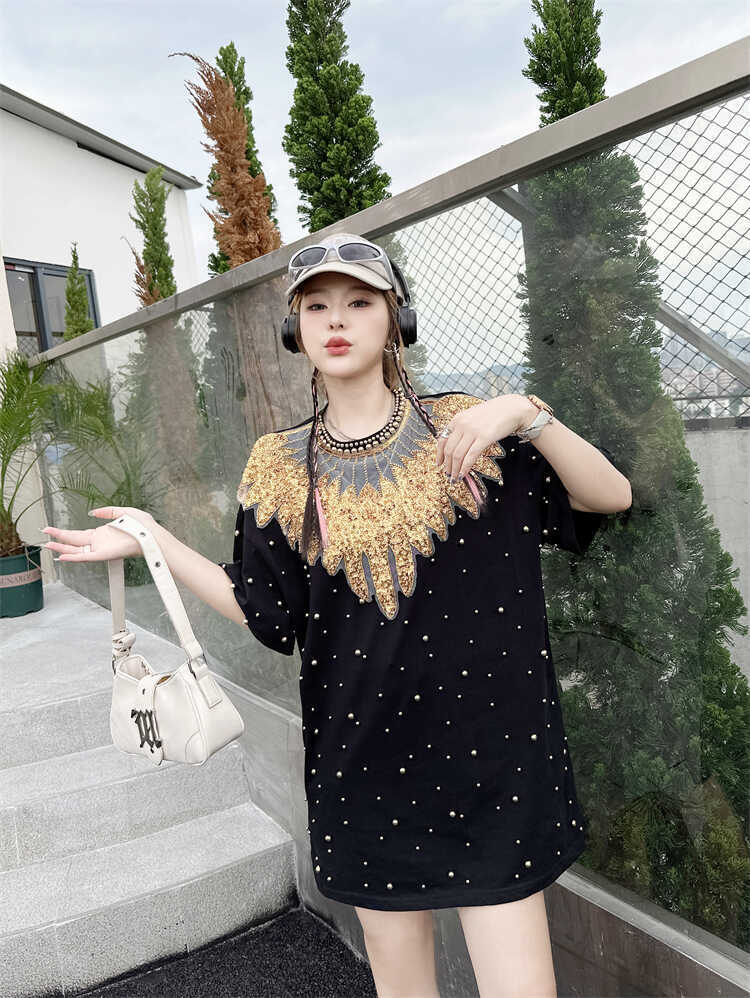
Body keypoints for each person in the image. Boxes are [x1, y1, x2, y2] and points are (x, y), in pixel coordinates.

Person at [40, 231, 631, 998]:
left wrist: (525, 413)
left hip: (493, 760)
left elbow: (607, 496)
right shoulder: (278, 466)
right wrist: (154, 538)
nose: (337, 319)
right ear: (296, 329)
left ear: (396, 320)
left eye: (359, 302)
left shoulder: (470, 428)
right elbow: (262, 611)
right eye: (316, 306)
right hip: (363, 763)